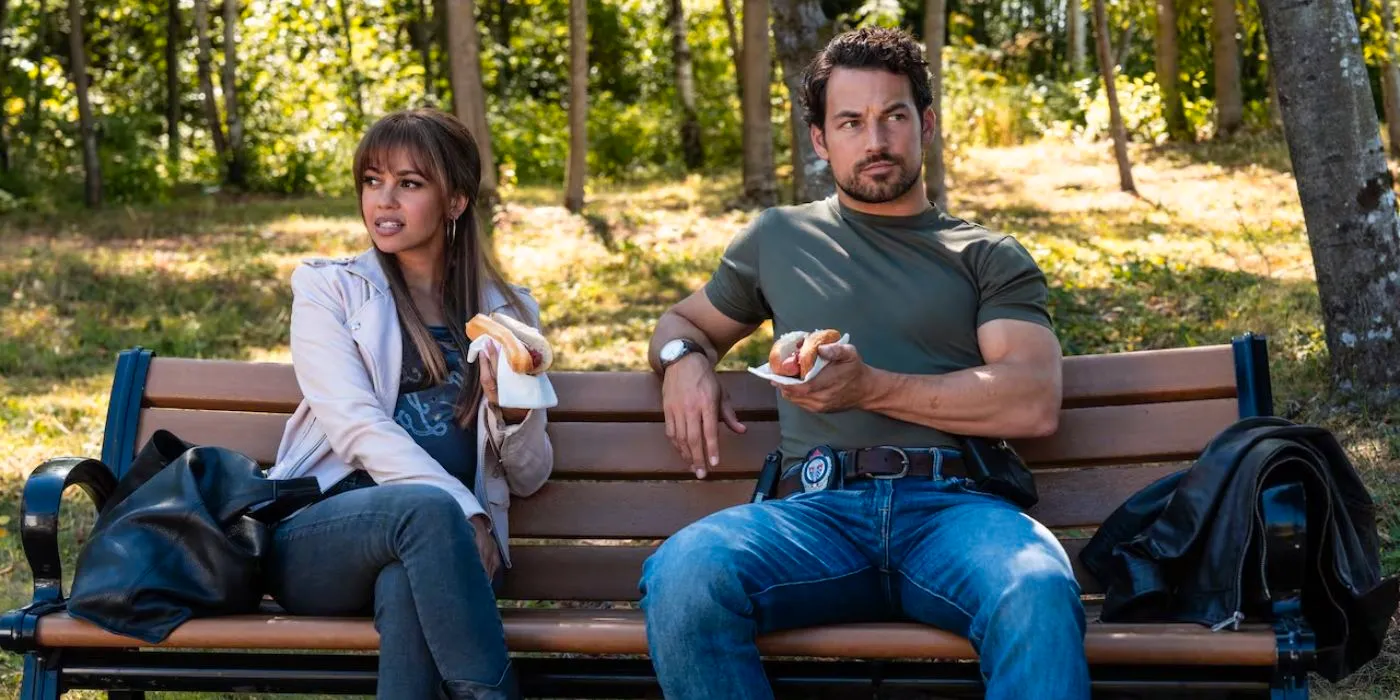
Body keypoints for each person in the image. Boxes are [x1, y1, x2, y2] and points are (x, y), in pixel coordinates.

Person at [640, 28, 1089, 700]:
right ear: (821, 140)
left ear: (926, 125)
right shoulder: (779, 238)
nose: (874, 140)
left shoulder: (985, 254)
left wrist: (870, 387)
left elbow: (1030, 400)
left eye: (894, 117)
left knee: (1037, 587)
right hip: (814, 518)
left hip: (955, 514)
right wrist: (682, 361)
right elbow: (682, 324)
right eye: (850, 122)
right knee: (683, 573)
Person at [262, 108, 552, 700]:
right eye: (372, 181)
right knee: (425, 512)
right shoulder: (330, 289)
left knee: (406, 579)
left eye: (409, 183)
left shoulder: (509, 314)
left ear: (455, 202)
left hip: (446, 558)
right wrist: (464, 511)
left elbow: (529, 476)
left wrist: (516, 414)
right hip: (320, 539)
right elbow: (353, 426)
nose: (384, 201)